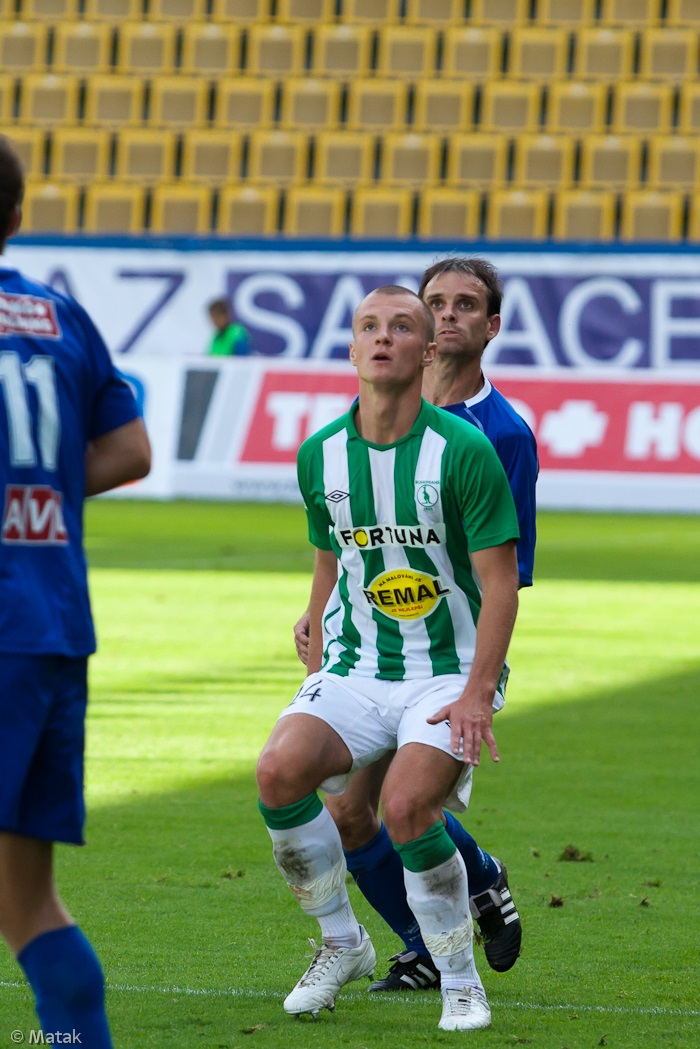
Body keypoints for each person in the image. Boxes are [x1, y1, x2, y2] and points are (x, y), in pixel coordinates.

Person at [257, 284, 520, 1031]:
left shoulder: (463, 450)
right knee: (279, 772)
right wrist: (314, 648)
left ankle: (461, 980)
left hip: (446, 668)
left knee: (405, 807)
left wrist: (476, 693)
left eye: (401, 327)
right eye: (367, 327)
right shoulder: (320, 454)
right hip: (355, 666)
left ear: (426, 348)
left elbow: (503, 584)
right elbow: (329, 560)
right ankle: (342, 941)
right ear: (350, 348)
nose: (382, 338)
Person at [0, 135, 151, 1047]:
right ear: (16, 217)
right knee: (28, 901)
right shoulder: (60, 315)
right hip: (53, 625)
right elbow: (130, 450)